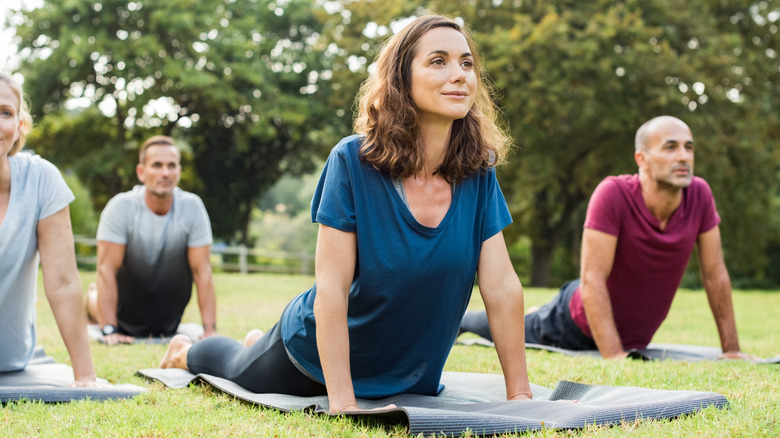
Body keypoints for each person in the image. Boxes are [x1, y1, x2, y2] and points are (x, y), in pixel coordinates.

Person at [159, 15, 533, 413]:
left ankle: (255, 340)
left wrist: (521, 396)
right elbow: (331, 290)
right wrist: (342, 402)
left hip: (406, 371)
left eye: (466, 63)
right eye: (438, 61)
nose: (459, 74)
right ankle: (184, 350)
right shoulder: (353, 161)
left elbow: (502, 287)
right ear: (401, 79)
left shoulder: (478, 173)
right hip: (312, 360)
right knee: (234, 366)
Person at [460, 115, 754, 360]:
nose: (683, 156)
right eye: (670, 147)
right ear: (642, 158)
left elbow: (715, 275)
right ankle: (462, 321)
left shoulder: (699, 194)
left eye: (689, 148)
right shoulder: (613, 193)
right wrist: (615, 356)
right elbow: (592, 280)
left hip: (629, 332)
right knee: (509, 326)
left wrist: (732, 350)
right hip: (572, 323)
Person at [0, 72, 100, 385]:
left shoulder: (41, 179)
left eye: (5, 112)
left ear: (18, 126)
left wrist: (85, 377)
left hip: (9, 359)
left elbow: (63, 282)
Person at [86, 135, 217, 345]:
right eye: (157, 165)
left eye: (171, 166)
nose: (165, 173)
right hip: (122, 312)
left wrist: (210, 330)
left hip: (166, 321)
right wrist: (109, 329)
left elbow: (203, 271)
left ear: (179, 171)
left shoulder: (193, 208)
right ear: (141, 172)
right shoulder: (120, 208)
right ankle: (92, 298)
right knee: (96, 295)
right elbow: (106, 270)